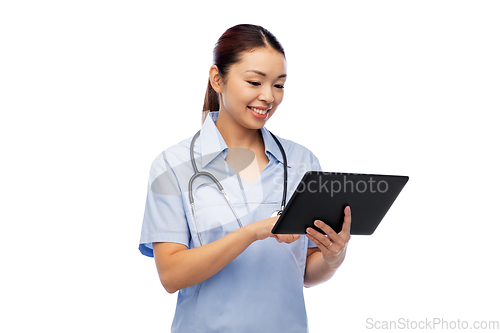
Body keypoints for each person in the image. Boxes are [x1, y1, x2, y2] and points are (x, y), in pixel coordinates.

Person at [138, 24, 351, 333]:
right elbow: (171, 275)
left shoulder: (303, 162)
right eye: (254, 82)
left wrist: (334, 256)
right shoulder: (173, 165)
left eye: (279, 85)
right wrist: (253, 232)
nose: (268, 97)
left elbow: (304, 270)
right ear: (217, 79)